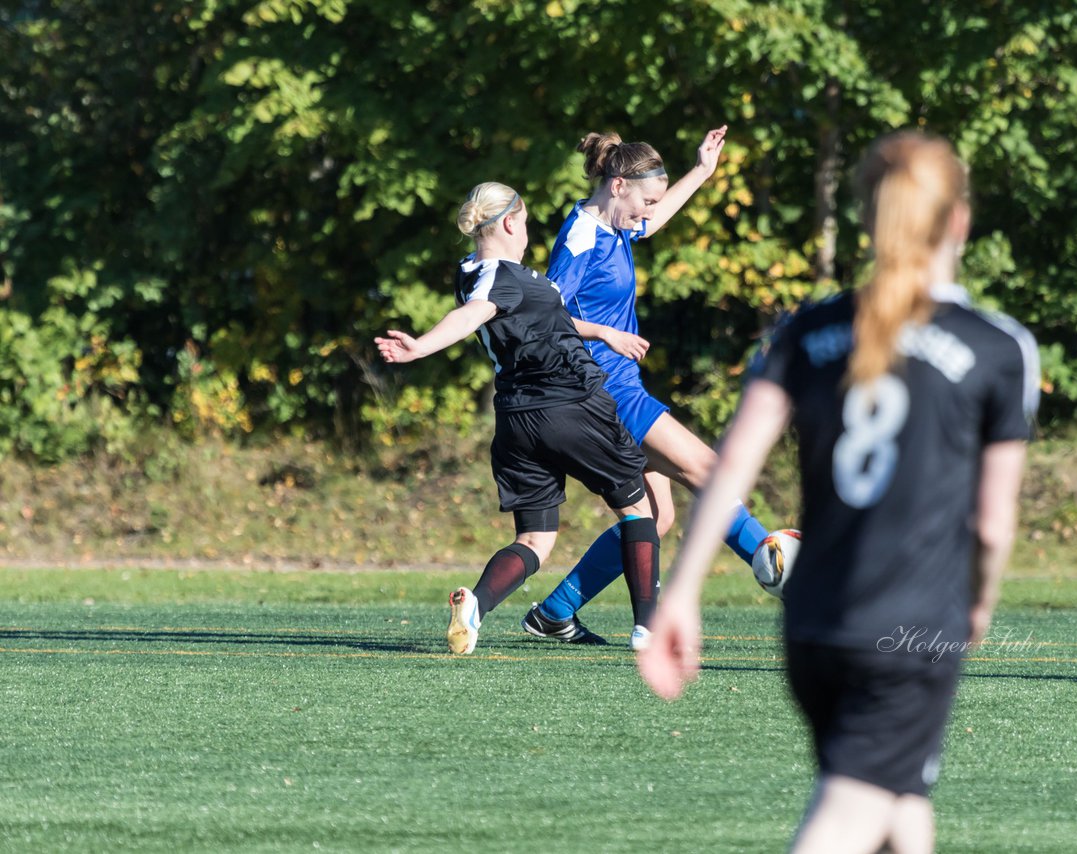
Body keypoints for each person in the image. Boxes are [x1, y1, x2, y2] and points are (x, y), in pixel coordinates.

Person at [637, 131, 1039, 854]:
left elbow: (731, 467)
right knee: (849, 816)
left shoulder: (807, 331)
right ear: (960, 221)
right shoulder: (996, 346)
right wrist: (976, 604)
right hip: (910, 628)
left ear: (867, 217)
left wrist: (684, 592)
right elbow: (991, 523)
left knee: (900, 808)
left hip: (814, 628)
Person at [375, 182, 659, 655]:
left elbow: (548, 320)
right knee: (638, 509)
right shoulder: (494, 278)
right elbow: (474, 312)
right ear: (510, 223)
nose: (527, 233)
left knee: (535, 538)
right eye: (525, 223)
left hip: (516, 419)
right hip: (571, 406)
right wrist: (421, 346)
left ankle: (476, 607)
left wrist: (603, 332)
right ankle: (648, 630)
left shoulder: (478, 270)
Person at [520, 125, 773, 651]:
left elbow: (651, 221)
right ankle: (779, 567)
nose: (648, 214)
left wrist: (702, 171)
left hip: (618, 385)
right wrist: (605, 332)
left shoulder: (613, 225)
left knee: (656, 519)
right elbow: (547, 314)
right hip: (605, 390)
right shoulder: (581, 236)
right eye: (645, 202)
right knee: (708, 470)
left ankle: (555, 612)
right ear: (617, 185)